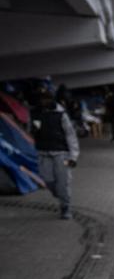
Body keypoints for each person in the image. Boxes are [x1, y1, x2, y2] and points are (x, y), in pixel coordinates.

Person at [30, 90, 79, 220]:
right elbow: (32, 130)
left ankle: (65, 207)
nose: (44, 101)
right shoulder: (35, 113)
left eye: (47, 99)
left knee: (63, 182)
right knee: (47, 181)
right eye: (42, 99)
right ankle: (61, 195)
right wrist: (34, 131)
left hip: (62, 154)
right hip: (43, 153)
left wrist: (73, 156)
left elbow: (70, 134)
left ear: (52, 99)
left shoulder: (61, 114)